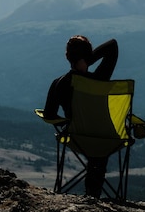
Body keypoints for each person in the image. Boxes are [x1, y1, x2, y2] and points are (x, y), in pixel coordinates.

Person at [43, 35, 118, 198]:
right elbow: (112, 45)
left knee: (92, 143)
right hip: (105, 138)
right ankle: (93, 192)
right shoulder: (99, 80)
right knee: (98, 148)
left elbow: (49, 114)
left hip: (76, 137)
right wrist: (88, 60)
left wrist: (66, 121)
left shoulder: (59, 83)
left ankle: (91, 194)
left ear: (67, 57)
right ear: (88, 55)